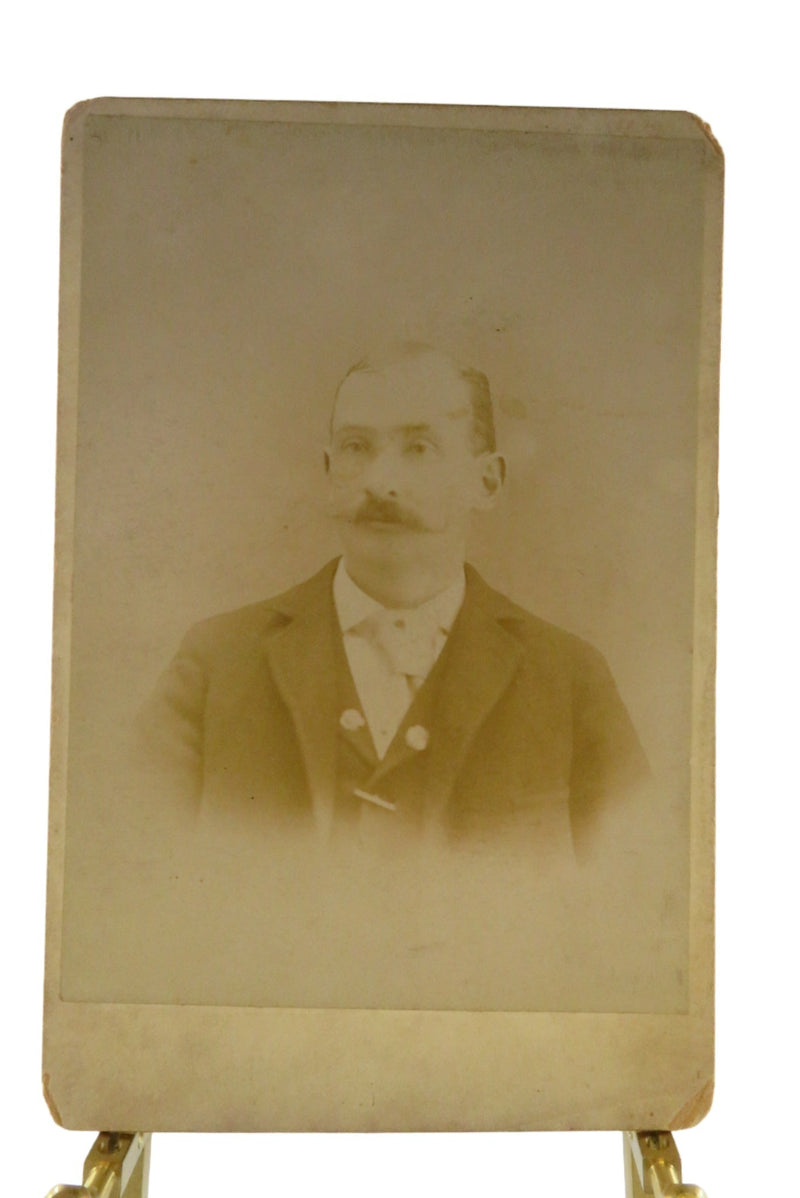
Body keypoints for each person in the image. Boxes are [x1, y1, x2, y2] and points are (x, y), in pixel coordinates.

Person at [139, 343, 648, 864]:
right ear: (328, 469)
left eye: (419, 448)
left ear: (486, 481)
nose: (380, 482)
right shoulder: (217, 662)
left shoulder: (568, 678)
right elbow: (134, 873)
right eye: (357, 447)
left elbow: (632, 894)